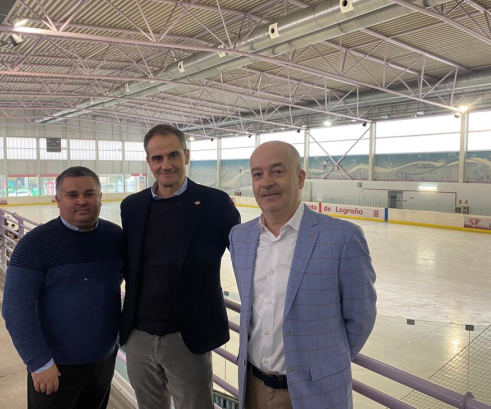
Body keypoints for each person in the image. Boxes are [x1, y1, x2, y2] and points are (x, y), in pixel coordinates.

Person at [229, 141, 377, 409]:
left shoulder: (343, 238)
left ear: (299, 178)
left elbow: (361, 319)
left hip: (314, 393)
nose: (266, 182)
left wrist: (320, 365)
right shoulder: (240, 237)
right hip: (252, 388)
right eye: (257, 174)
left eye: (277, 171)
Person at [120, 124, 240, 409]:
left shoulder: (215, 203)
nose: (166, 164)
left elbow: (246, 257)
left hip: (188, 337)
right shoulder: (132, 206)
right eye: (157, 158)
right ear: (148, 162)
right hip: (138, 336)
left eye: (173, 155)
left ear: (186, 155)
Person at [2, 166, 123, 409]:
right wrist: (39, 363)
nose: (81, 201)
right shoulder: (35, 245)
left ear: (100, 197)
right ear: (58, 200)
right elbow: (16, 309)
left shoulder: (114, 237)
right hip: (55, 367)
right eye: (72, 195)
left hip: (104, 361)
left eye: (89, 194)